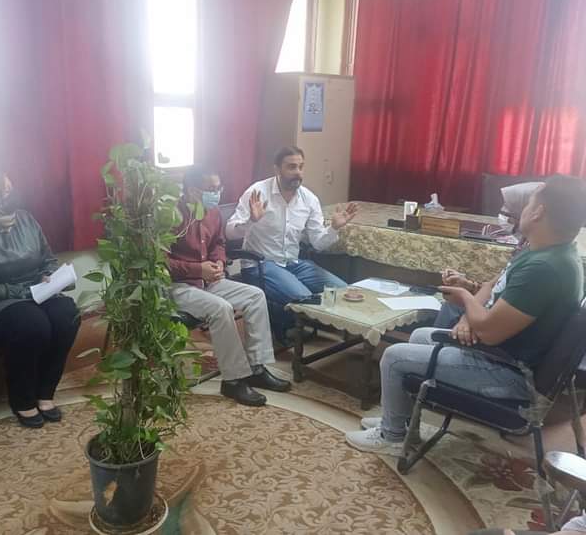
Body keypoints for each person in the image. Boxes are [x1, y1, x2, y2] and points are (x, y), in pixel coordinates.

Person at [345, 175, 586, 455]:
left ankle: (392, 436)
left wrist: (465, 299)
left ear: (538, 212)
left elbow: (489, 332)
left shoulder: (545, 268)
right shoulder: (543, 252)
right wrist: (468, 309)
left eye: (530, 202)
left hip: (510, 374)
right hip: (503, 355)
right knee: (421, 335)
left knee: (394, 356)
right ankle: (401, 421)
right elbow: (491, 287)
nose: (523, 208)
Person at [0, 171, 80, 428]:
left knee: (67, 313)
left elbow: (47, 259)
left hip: (32, 291)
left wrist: (49, 276)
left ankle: (45, 392)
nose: (12, 195)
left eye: (11, 189)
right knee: (31, 323)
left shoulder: (26, 219)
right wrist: (28, 292)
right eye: (5, 191)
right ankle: (22, 399)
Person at [168, 166, 291, 406]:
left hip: (208, 281)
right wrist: (198, 269)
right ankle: (233, 381)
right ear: (192, 190)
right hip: (178, 286)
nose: (216, 193)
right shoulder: (171, 216)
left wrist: (219, 263)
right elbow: (162, 262)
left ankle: (256, 368)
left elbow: (219, 243)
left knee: (255, 296)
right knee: (221, 308)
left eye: (218, 187)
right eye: (211, 189)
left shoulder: (213, 212)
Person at [225, 146, 358, 342]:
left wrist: (334, 228)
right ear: (277, 169)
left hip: (294, 263)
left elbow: (318, 243)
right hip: (261, 265)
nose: (298, 172)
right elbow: (229, 232)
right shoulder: (257, 192)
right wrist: (251, 221)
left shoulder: (309, 199)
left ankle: (285, 316)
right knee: (305, 300)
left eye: (301, 167)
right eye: (291, 167)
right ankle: (278, 320)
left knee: (343, 291)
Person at [434, 181, 544, 329]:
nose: (504, 215)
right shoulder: (525, 246)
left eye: (509, 213)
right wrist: (468, 286)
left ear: (536, 213)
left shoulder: (537, 260)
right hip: (491, 312)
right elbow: (495, 287)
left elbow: (499, 314)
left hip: (495, 325)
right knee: (450, 306)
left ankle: (436, 340)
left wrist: (466, 303)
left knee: (419, 335)